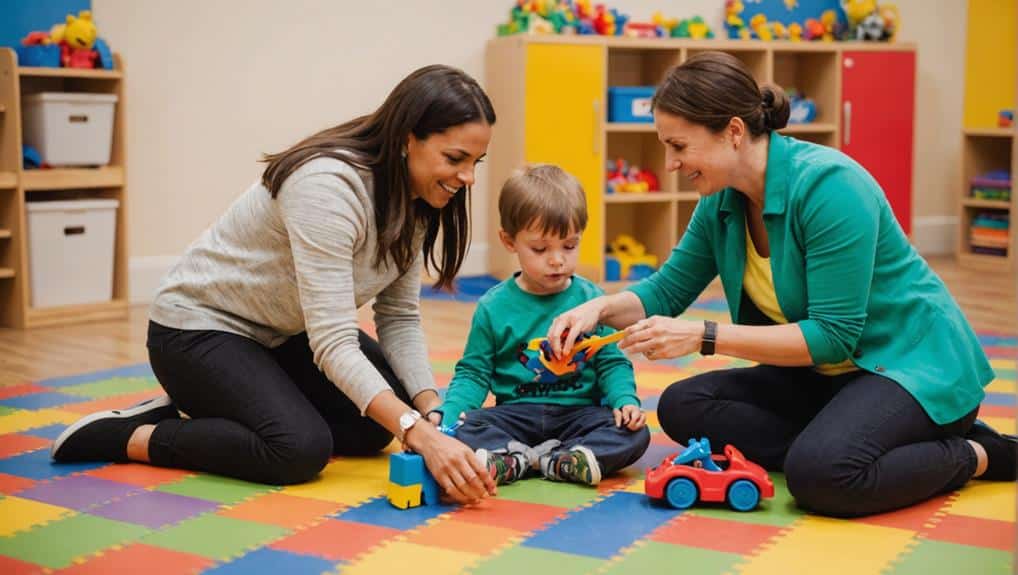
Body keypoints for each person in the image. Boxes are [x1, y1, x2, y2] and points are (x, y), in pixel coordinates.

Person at [547, 52, 1016, 517]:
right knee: (682, 404)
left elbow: (834, 338)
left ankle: (979, 453)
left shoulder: (831, 187)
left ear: (733, 132)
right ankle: (846, 446)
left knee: (821, 478)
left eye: (679, 146)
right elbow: (666, 291)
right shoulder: (721, 201)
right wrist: (597, 310)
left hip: (909, 369)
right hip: (825, 379)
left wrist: (703, 336)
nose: (670, 163)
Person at [51, 65, 498, 504]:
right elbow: (334, 341)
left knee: (378, 421)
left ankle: (223, 406)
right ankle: (131, 434)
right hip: (196, 331)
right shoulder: (327, 187)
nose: (468, 178)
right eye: (455, 159)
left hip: (280, 334)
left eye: (476, 162)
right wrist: (416, 433)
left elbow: (398, 318)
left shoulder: (418, 198)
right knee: (298, 450)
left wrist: (428, 412)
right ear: (407, 140)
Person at [433, 164, 650, 487]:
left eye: (569, 245)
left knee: (635, 432)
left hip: (579, 416)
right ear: (509, 241)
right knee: (462, 427)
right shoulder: (493, 307)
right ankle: (517, 455)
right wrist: (447, 415)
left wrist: (625, 401)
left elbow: (611, 361)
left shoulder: (592, 300)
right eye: (540, 249)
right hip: (515, 416)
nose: (557, 260)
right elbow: (474, 373)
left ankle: (559, 458)